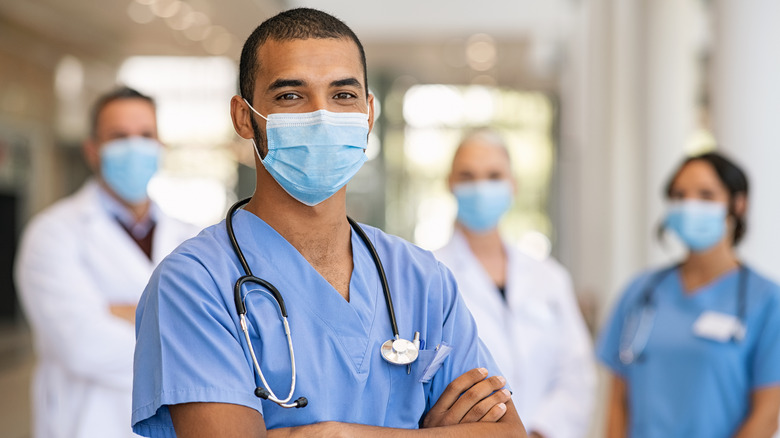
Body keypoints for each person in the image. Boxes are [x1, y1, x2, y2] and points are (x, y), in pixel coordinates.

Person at [131, 8, 526, 438]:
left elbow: (506, 433)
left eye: (343, 96)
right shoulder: (195, 283)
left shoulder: (421, 279)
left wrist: (339, 434)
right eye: (290, 96)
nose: (322, 116)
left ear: (369, 114)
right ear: (244, 118)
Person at [14, 86, 199, 438]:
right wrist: (184, 325)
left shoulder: (192, 237)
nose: (134, 147)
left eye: (145, 135)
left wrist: (127, 312)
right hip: (88, 426)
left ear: (161, 146)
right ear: (92, 149)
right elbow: (83, 346)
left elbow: (230, 333)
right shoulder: (52, 234)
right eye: (119, 136)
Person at [597, 152, 780, 438]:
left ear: (738, 204)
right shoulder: (641, 291)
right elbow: (617, 403)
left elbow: (767, 414)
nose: (690, 206)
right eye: (679, 196)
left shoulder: (766, 300)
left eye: (706, 195)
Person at [434, 129, 596, 438]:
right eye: (468, 176)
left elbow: (576, 374)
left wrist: (538, 431)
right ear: (450, 183)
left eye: (494, 175)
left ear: (513, 185)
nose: (481, 187)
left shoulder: (549, 277)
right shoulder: (429, 274)